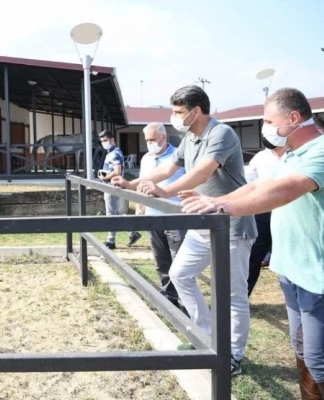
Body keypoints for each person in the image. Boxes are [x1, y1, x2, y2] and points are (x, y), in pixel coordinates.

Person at [181, 88, 324, 397]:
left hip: (317, 277)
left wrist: (224, 207)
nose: (266, 128)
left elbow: (287, 189)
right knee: (302, 352)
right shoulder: (293, 154)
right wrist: (217, 200)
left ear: (294, 118)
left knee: (318, 359)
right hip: (293, 272)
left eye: (269, 121)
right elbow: (261, 184)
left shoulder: (320, 151)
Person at [112, 85, 257, 376]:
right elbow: (167, 168)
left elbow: (201, 173)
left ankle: (233, 356)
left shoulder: (221, 134)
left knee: (232, 294)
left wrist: (164, 193)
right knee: (180, 274)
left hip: (231, 224)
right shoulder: (189, 137)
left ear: (196, 110)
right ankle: (205, 336)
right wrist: (129, 183)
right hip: (201, 224)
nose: (174, 117)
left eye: (178, 112)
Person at [136, 122, 187, 311]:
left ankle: (184, 299)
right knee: (161, 258)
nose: (150, 144)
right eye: (147, 140)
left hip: (175, 214)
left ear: (164, 138)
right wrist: (140, 207)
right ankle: (168, 294)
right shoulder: (146, 159)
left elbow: (190, 181)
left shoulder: (179, 156)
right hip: (153, 215)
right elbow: (142, 184)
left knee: (179, 260)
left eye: (153, 140)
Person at [245, 138, 288, 296]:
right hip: (263, 213)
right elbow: (248, 183)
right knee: (254, 255)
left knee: (289, 255)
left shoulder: (295, 155)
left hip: (288, 212)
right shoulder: (260, 158)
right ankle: (243, 297)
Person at [97, 130, 141, 249]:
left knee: (111, 213)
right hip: (114, 185)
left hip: (113, 186)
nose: (104, 143)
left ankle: (111, 241)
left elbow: (117, 171)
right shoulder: (112, 152)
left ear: (112, 140)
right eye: (102, 141)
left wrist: (105, 177)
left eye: (105, 140)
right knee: (118, 213)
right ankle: (132, 233)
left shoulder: (114, 153)